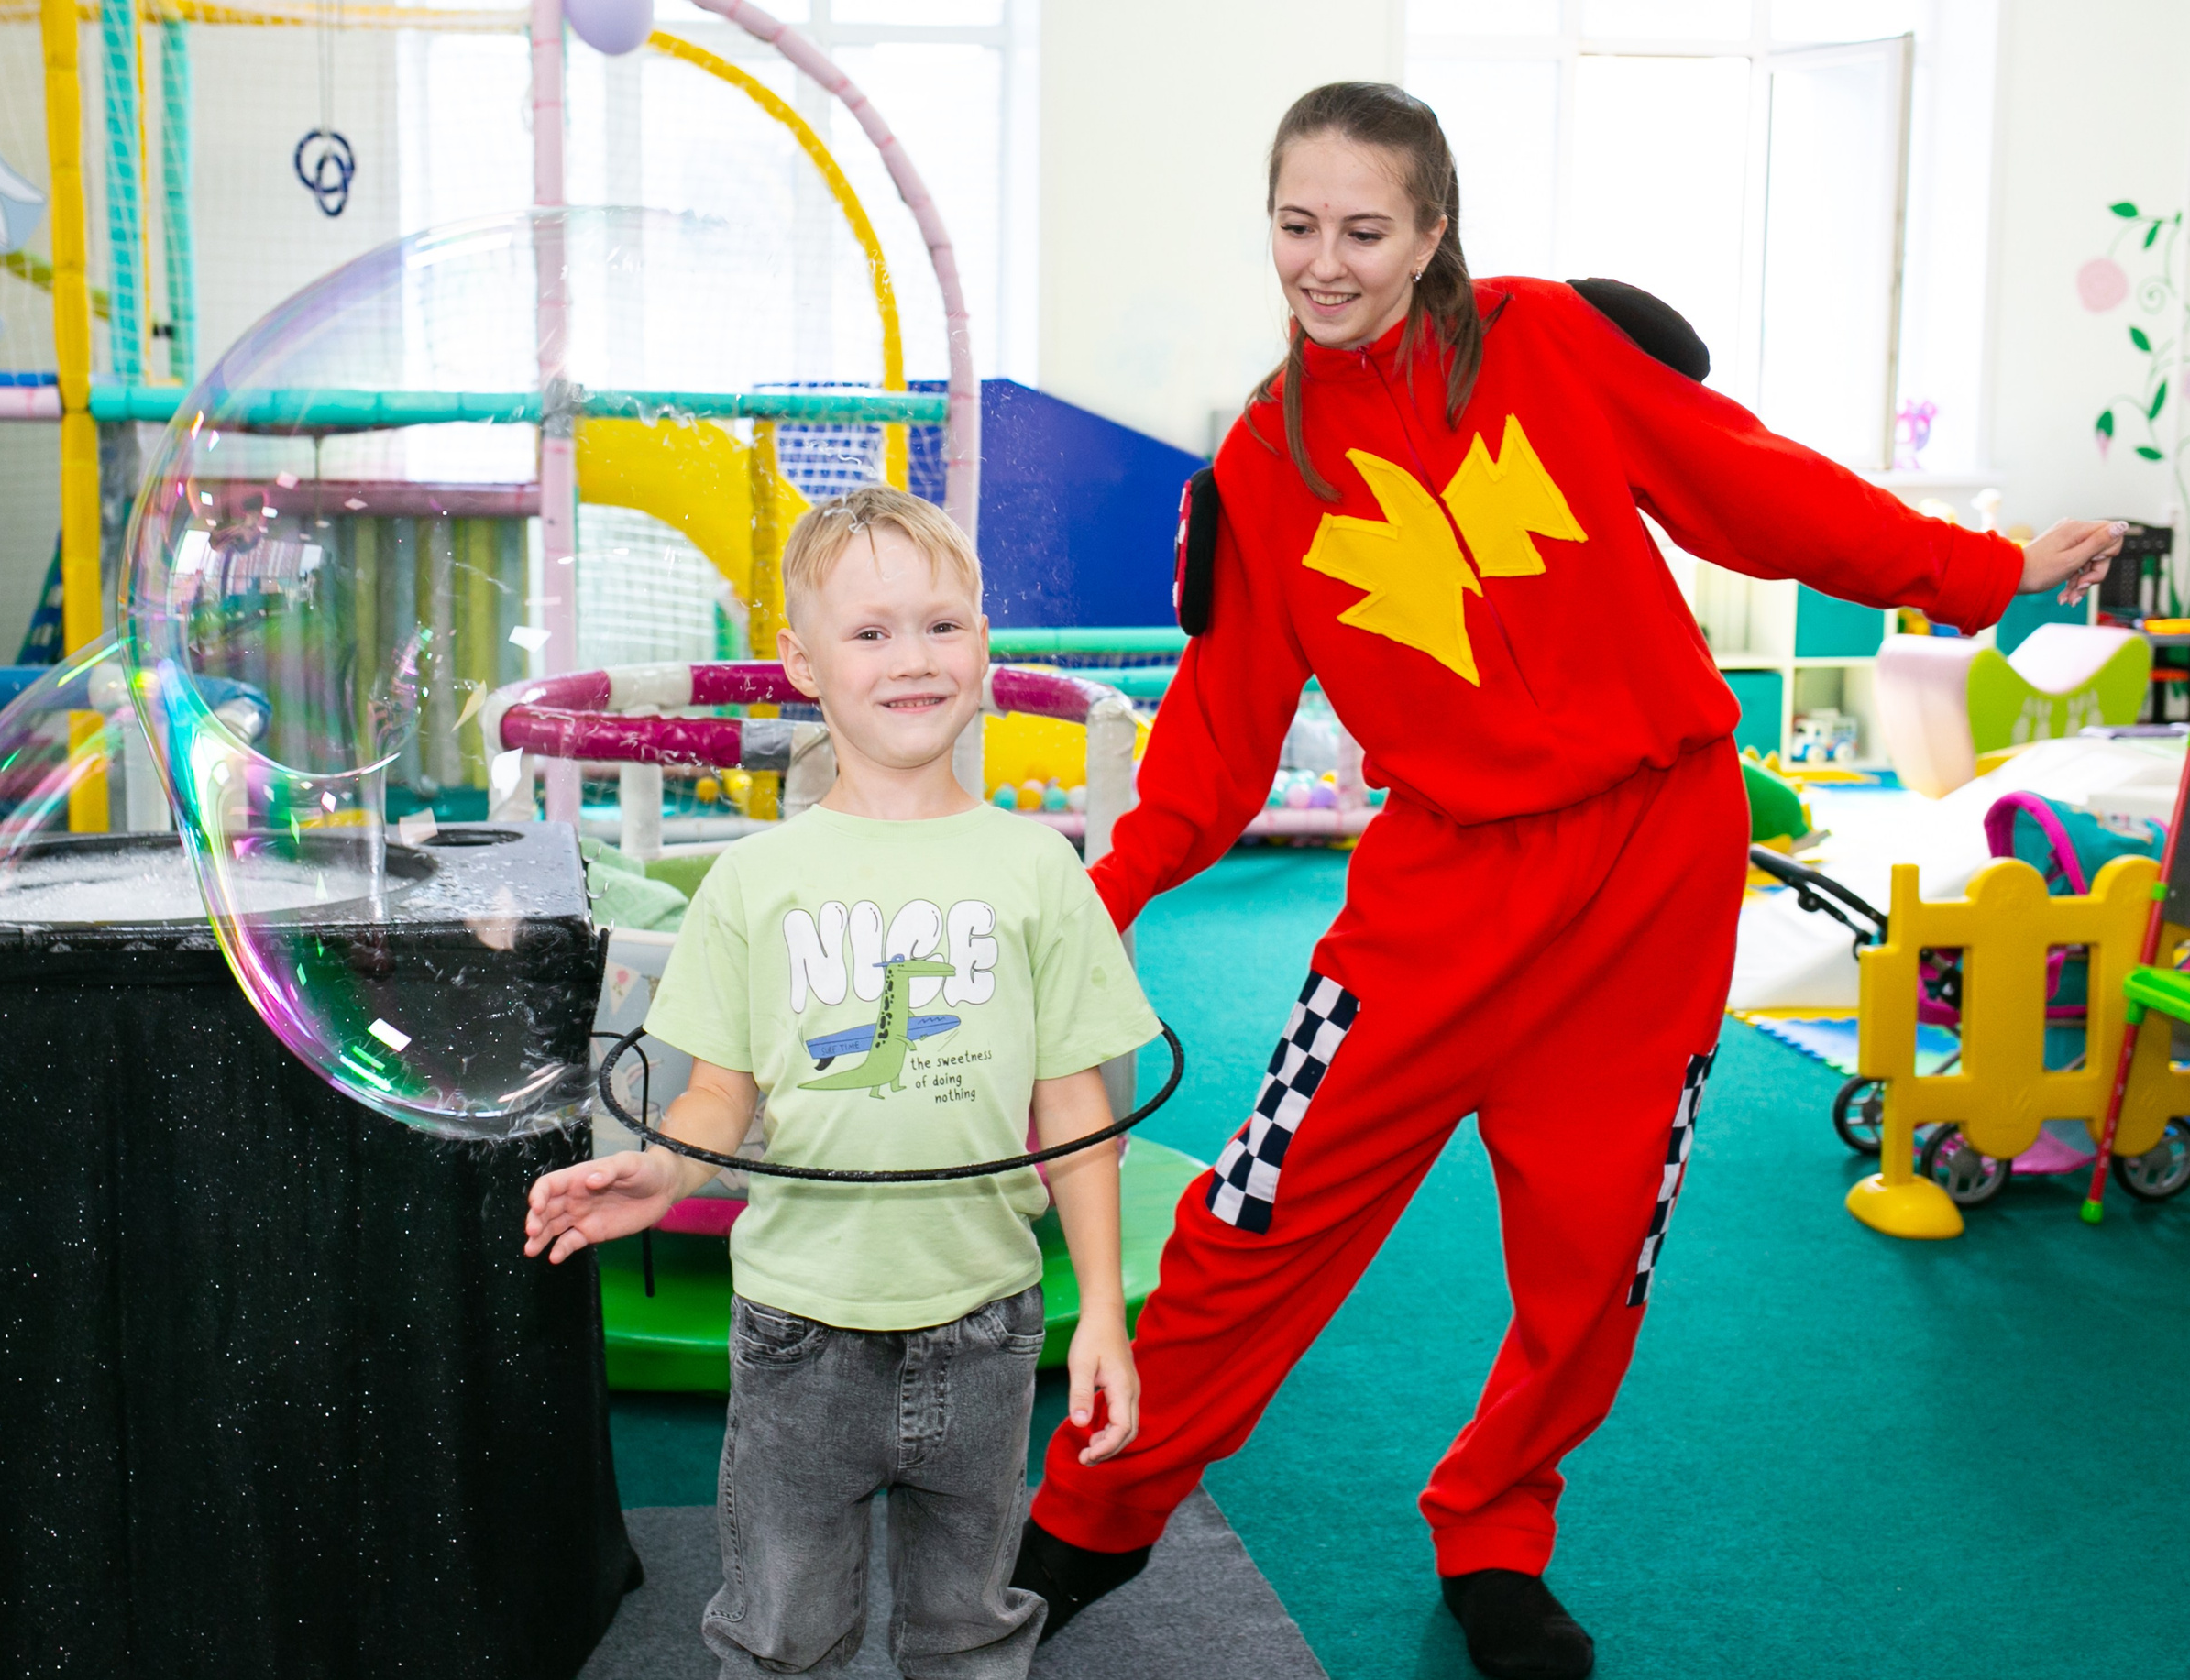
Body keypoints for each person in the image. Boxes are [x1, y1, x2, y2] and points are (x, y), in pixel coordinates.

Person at [1009, 81, 2121, 1680]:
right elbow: (1216, 740)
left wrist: (1977, 571)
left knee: (1597, 1257)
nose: (1323, 265)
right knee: (1252, 1219)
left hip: (1649, 875)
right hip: (1439, 902)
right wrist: (1093, 896)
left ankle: (1495, 1531)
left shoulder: (1547, 344)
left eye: (1364, 231)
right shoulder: (1258, 466)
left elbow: (1760, 489)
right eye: (1296, 226)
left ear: (1434, 232)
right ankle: (1074, 1539)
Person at [523, 486, 1162, 1679]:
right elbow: (720, 1097)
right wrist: (664, 1171)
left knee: (972, 1631)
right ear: (801, 661)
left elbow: (1079, 1104)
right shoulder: (756, 881)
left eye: (942, 625)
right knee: (779, 1637)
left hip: (984, 1322)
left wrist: (1108, 1319)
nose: (912, 660)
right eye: (870, 632)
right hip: (798, 1333)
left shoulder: (1040, 868)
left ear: (984, 641)